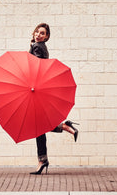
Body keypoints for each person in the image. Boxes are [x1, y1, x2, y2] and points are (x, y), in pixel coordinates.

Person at [28, 23, 79, 175]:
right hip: (40, 89)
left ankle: (43, 159)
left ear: (47, 37)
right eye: (37, 31)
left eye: (42, 33)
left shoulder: (38, 46)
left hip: (36, 89)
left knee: (38, 126)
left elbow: (35, 67)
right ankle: (64, 127)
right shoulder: (39, 46)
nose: (38, 34)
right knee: (39, 125)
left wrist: (31, 51)